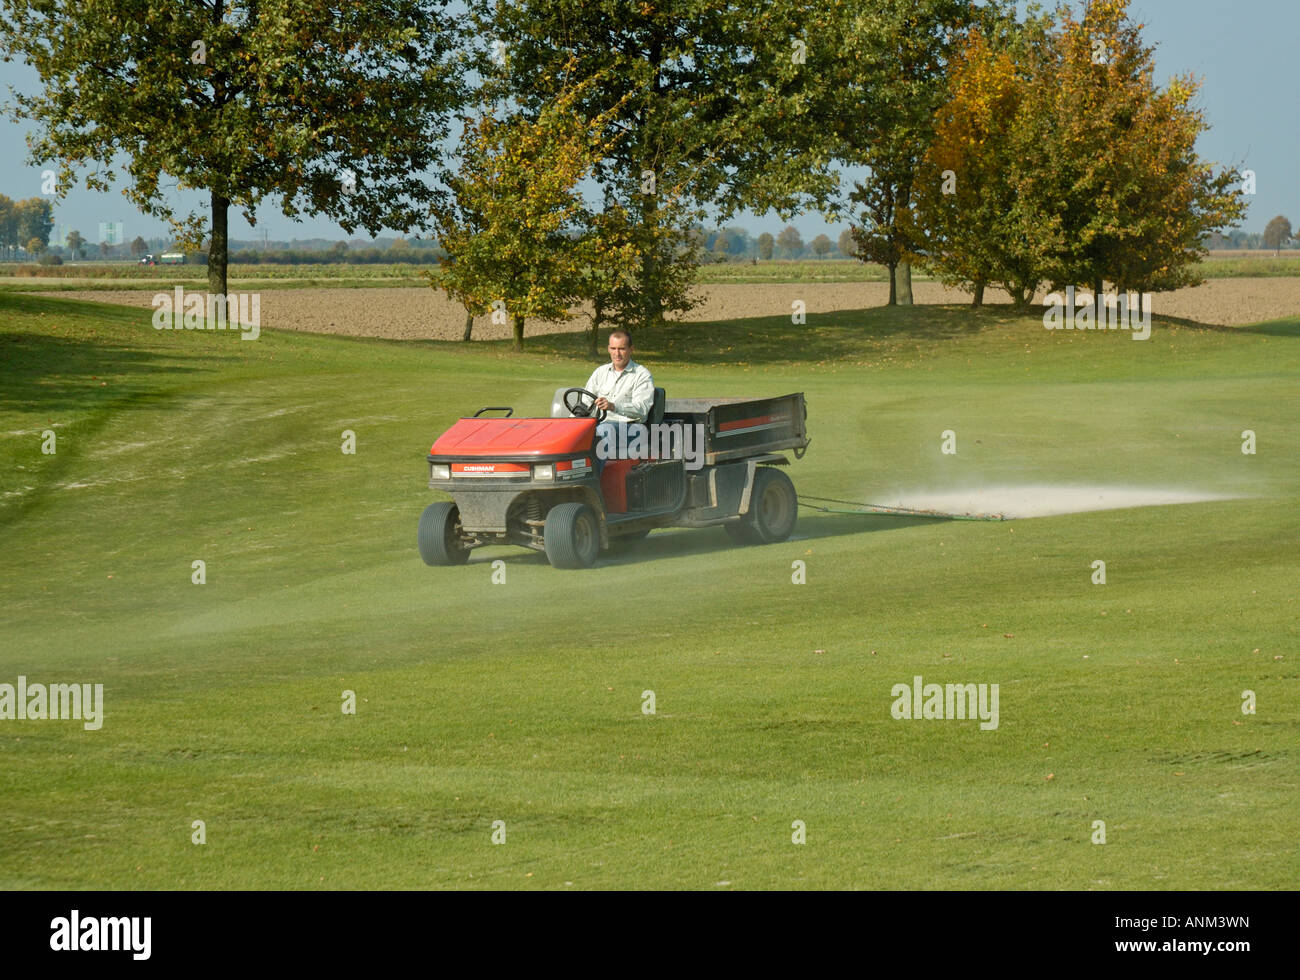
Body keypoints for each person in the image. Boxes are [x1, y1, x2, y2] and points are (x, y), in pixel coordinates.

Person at [583, 329, 654, 473]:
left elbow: (641, 409)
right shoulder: (600, 372)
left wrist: (613, 406)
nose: (617, 353)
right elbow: (585, 400)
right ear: (608, 349)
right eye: (613, 348)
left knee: (603, 431)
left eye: (622, 348)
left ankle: (593, 481)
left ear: (631, 349)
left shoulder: (641, 375)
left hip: (632, 428)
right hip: (600, 423)